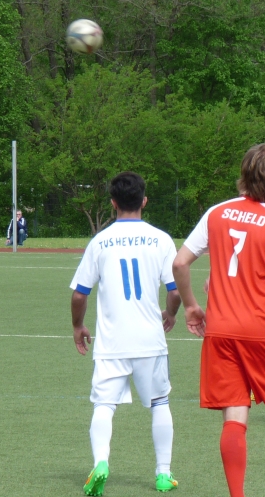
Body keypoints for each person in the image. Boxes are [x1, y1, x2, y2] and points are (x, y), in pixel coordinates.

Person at [172, 143, 265, 497]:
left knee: (234, 415)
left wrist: (191, 306)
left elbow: (180, 263)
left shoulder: (216, 213)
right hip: (263, 331)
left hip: (220, 330)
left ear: (244, 174)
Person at [70, 172, 182, 496]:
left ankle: (101, 463)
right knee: (159, 403)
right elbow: (174, 290)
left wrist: (78, 326)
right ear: (144, 201)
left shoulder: (99, 241)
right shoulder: (161, 239)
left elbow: (80, 294)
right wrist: (170, 313)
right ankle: (163, 474)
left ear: (113, 203)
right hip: (150, 340)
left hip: (112, 343)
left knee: (104, 406)